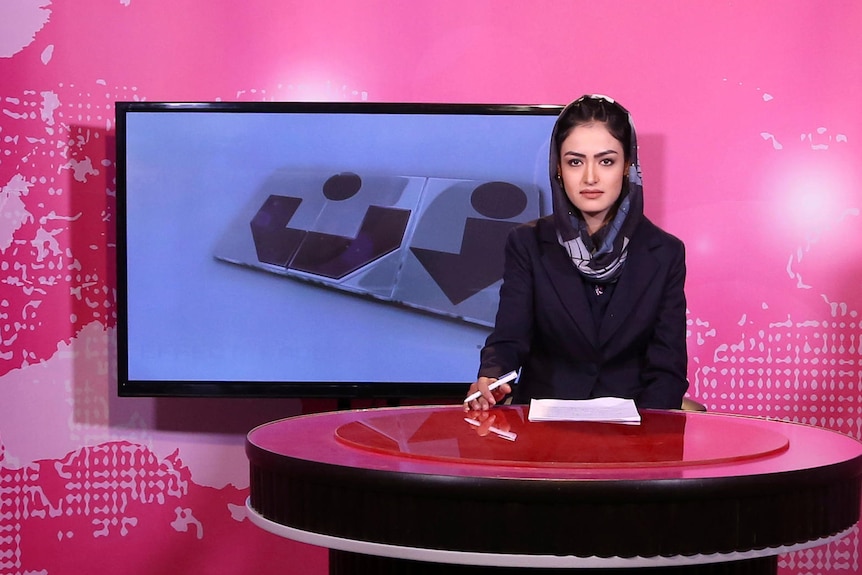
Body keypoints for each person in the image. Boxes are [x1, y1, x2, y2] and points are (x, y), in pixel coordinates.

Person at [465, 94, 688, 411]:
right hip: (543, 436)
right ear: (558, 168)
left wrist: (648, 440)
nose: (590, 178)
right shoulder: (527, 244)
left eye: (606, 161)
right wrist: (493, 376)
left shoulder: (664, 253)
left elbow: (667, 369)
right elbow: (509, 339)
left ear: (627, 166)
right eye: (575, 161)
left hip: (633, 437)